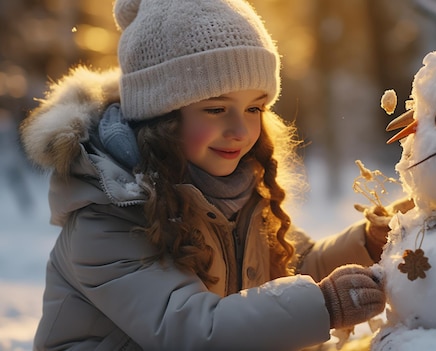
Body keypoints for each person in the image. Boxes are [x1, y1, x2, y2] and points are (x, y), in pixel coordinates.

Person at [20, 0, 407, 349]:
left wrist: (368, 244)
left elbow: (292, 266)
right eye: (216, 109)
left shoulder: (233, 188)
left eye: (255, 108)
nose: (241, 130)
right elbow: (191, 330)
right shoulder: (106, 216)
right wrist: (324, 305)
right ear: (162, 115)